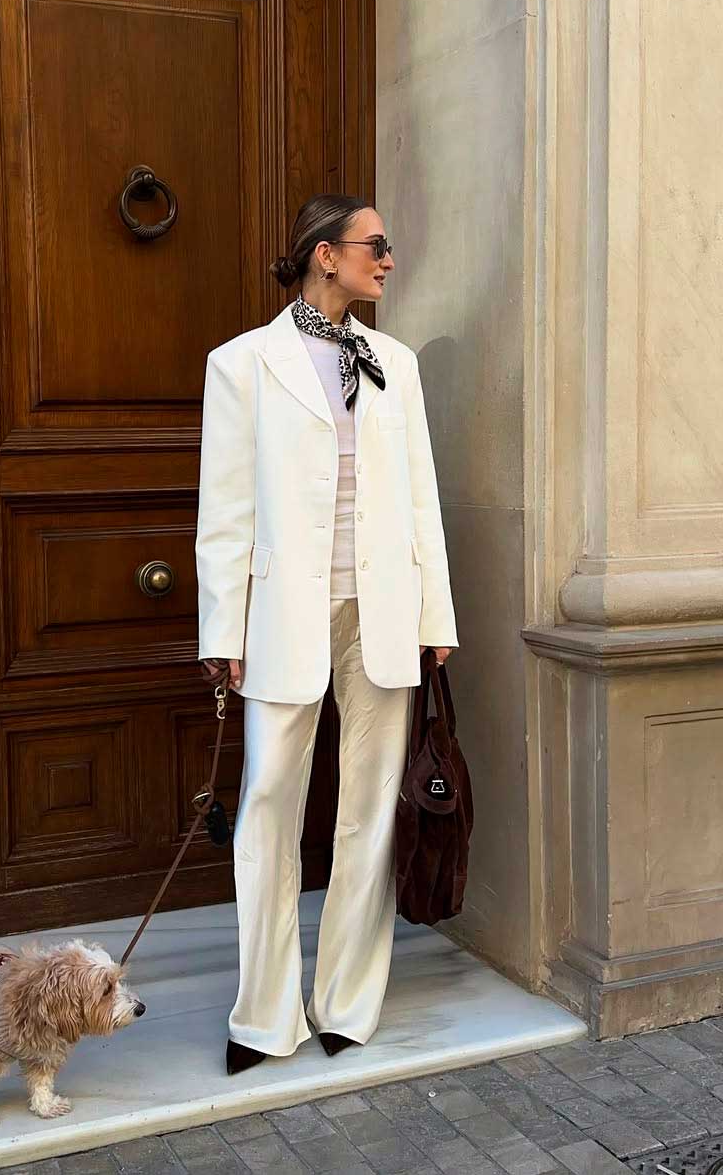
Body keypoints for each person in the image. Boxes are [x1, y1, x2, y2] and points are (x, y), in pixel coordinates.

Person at [194, 195, 458, 1076]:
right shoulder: (242, 364)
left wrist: (435, 616)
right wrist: (222, 629)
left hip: (382, 611)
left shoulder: (395, 363)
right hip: (283, 613)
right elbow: (224, 512)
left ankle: (347, 1002)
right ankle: (265, 1016)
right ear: (323, 254)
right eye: (374, 245)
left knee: (370, 810)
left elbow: (421, 497)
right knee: (268, 803)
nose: (388, 259)